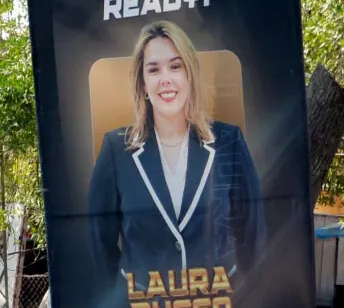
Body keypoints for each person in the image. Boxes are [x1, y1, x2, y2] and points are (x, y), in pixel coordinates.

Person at [86, 20, 263, 277]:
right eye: (154, 70)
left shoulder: (229, 141)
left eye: (175, 66)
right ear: (143, 83)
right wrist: (122, 305)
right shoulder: (116, 149)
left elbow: (254, 234)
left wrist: (245, 302)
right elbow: (98, 245)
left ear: (189, 74)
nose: (166, 79)